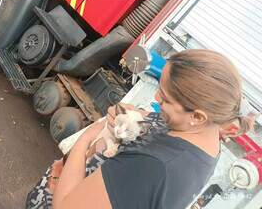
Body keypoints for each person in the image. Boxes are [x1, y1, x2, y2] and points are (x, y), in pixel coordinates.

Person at [26, 49, 252, 209]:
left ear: (197, 116)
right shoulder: (205, 139)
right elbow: (155, 123)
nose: (156, 98)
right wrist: (129, 115)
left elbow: (65, 206)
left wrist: (85, 139)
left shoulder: (153, 167)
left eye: (165, 98)